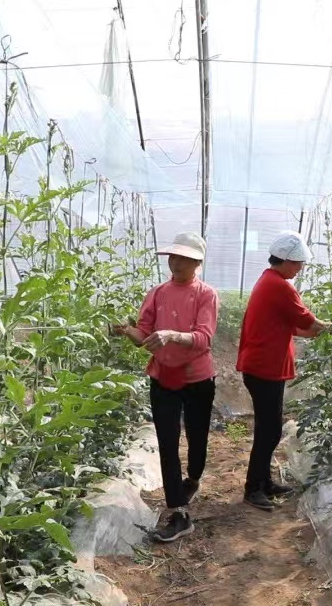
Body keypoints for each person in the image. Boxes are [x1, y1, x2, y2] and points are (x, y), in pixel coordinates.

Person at [112, 232, 219, 542]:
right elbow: (144, 335)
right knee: (168, 442)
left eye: (184, 258)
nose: (176, 262)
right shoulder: (157, 293)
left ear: (197, 263)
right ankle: (179, 513)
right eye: (173, 257)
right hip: (163, 378)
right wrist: (127, 330)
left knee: (197, 437)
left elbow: (204, 338)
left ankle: (193, 478)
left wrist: (172, 335)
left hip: (198, 378)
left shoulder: (206, 294)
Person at [236, 231, 332, 511]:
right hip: (265, 368)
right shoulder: (279, 286)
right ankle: (253, 488)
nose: (300, 268)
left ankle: (264, 482)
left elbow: (295, 326)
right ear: (285, 260)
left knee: (268, 427)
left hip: (262, 366)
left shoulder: (268, 281)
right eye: (298, 263)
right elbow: (309, 321)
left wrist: (318, 331)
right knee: (270, 431)